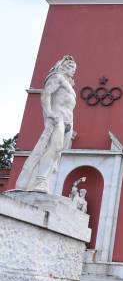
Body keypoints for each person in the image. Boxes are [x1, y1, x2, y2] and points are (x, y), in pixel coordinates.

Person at [16, 56, 77, 193]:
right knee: (52, 148)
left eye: (74, 68)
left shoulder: (69, 84)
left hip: (68, 120)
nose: (73, 71)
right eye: (71, 67)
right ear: (64, 67)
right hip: (58, 117)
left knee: (57, 152)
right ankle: (40, 180)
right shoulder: (57, 77)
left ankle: (45, 181)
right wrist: (49, 112)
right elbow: (46, 94)